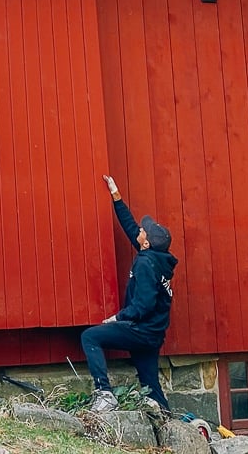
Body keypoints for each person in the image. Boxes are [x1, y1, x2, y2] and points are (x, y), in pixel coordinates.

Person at [81, 174, 177, 413]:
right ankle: (171, 425)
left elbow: (143, 305)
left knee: (90, 337)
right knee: (151, 387)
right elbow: (130, 226)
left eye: (144, 231)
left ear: (146, 244)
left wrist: (118, 318)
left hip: (141, 332)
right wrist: (116, 196)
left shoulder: (145, 264)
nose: (141, 229)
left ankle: (105, 394)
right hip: (152, 335)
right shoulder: (155, 258)